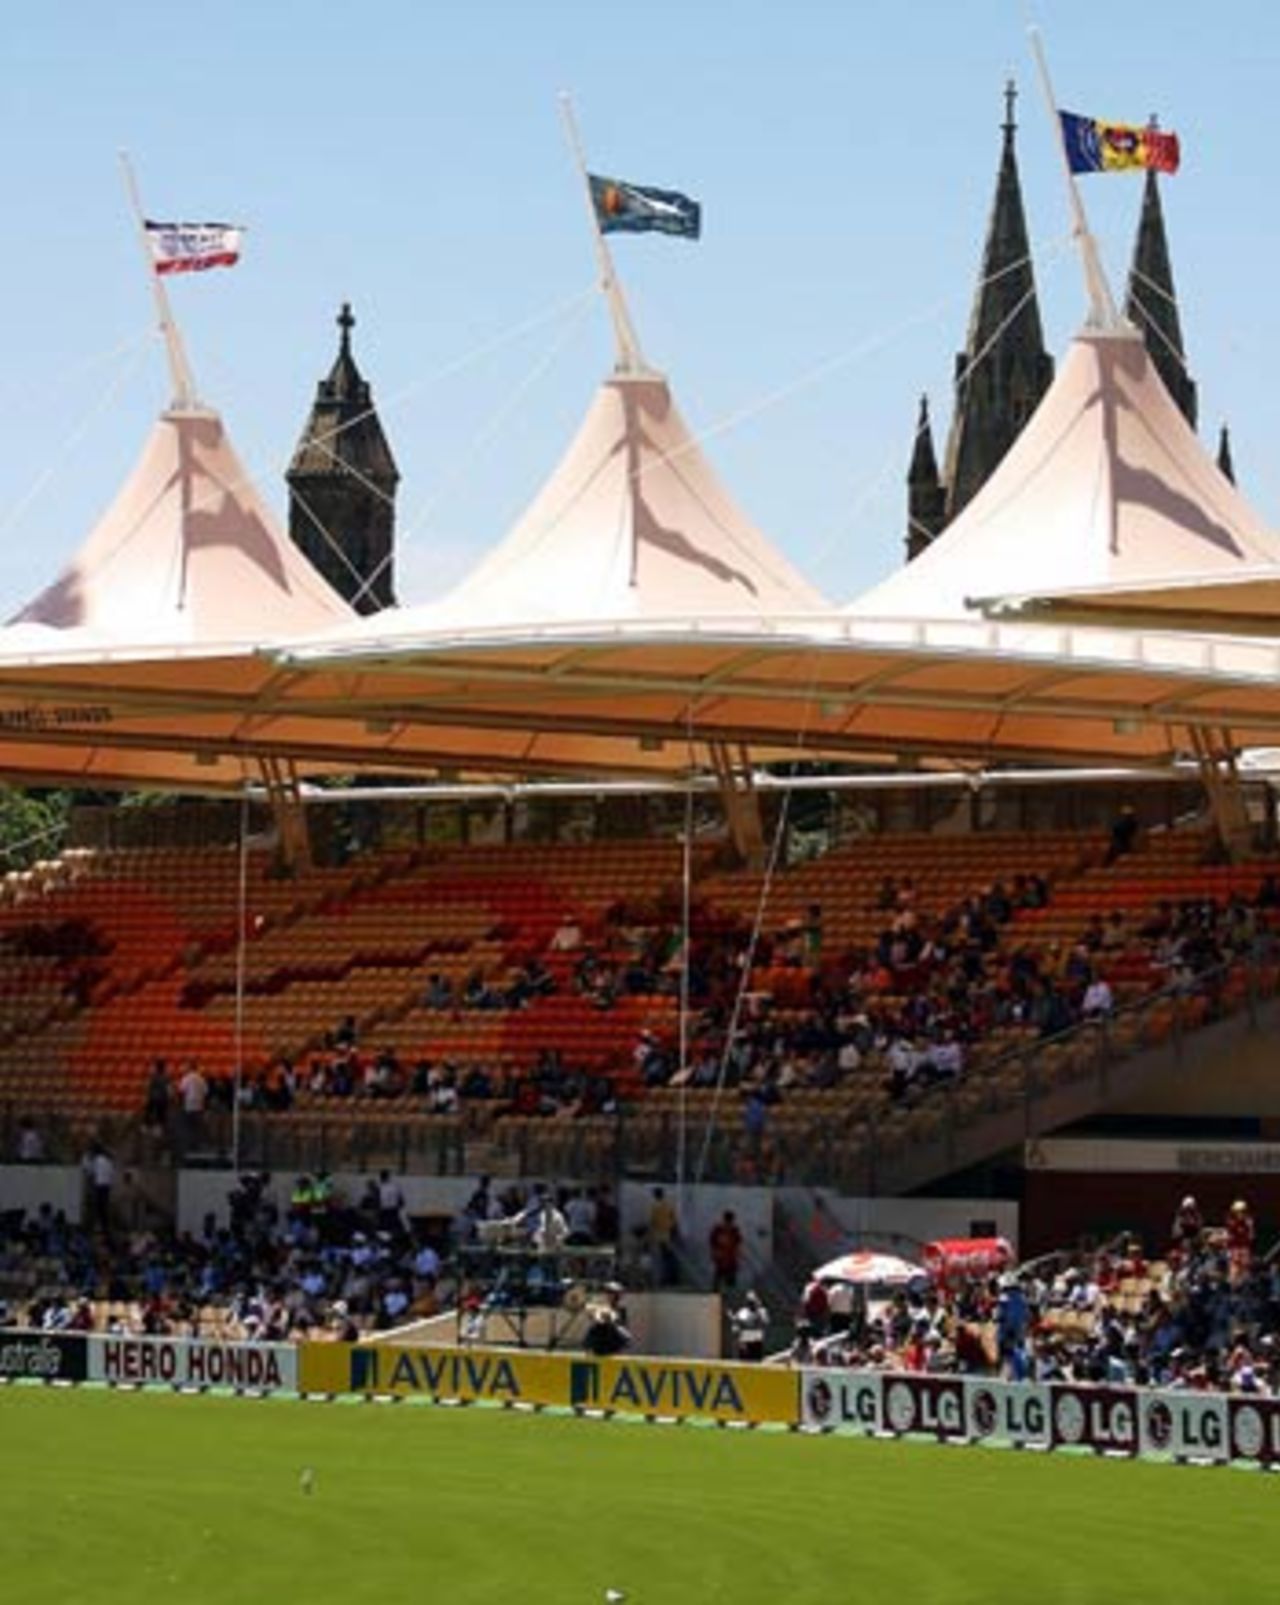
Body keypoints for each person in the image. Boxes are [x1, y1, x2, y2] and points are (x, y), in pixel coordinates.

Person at [648, 1188, 679, 1286]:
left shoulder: (654, 1208)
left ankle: (662, 1279)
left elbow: (652, 1222)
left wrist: (651, 1234)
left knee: (661, 1260)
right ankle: (671, 1278)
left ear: (655, 1196)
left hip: (659, 1236)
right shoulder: (669, 1206)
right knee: (669, 1258)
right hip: (668, 1235)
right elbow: (674, 1221)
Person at [709, 1209, 743, 1294]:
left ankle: (728, 1291)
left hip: (729, 1256)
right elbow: (712, 1241)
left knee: (729, 1274)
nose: (728, 1223)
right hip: (723, 1256)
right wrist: (715, 1251)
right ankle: (717, 1290)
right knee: (720, 1273)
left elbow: (738, 1241)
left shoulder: (733, 1230)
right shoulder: (719, 1229)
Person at [731, 1291, 768, 1362]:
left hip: (757, 1342)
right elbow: (735, 1328)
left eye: (754, 1301)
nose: (752, 1303)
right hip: (745, 1343)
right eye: (750, 1301)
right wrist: (739, 1340)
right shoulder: (742, 1312)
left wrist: (758, 1313)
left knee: (757, 1364)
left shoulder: (761, 1312)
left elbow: (765, 1323)